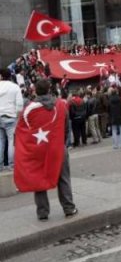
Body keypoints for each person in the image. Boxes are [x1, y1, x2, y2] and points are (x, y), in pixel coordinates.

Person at [15, 80, 77, 221]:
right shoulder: (61, 105)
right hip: (58, 148)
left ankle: (43, 212)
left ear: (35, 91)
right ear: (50, 89)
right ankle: (69, 208)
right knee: (63, 178)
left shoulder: (29, 108)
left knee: (39, 178)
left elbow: (22, 130)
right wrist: (61, 142)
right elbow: (66, 127)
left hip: (38, 149)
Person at [0, 69, 23, 171]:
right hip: (10, 116)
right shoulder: (15, 87)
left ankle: (0, 165)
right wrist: (17, 116)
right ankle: (11, 164)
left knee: (0, 141)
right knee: (11, 141)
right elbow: (19, 104)